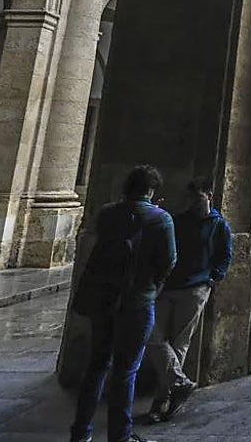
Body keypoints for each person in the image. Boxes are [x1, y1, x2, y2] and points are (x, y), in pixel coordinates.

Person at [70, 164, 176, 442]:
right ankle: (120, 435)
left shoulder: (107, 214)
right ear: (151, 190)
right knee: (126, 371)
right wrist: (153, 285)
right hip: (137, 302)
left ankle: (80, 432)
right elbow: (169, 261)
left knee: (96, 366)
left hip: (103, 300)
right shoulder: (160, 219)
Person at [145, 178, 233, 425]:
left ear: (209, 196)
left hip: (196, 288)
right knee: (152, 335)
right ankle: (180, 383)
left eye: (199, 197)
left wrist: (213, 278)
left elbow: (225, 255)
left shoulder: (219, 225)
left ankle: (162, 399)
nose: (194, 202)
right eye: (191, 197)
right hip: (168, 287)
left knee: (180, 342)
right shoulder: (178, 221)